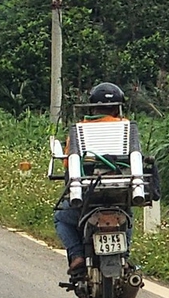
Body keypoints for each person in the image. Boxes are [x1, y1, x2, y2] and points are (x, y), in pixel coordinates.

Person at [55, 81, 139, 287]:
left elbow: (68, 162)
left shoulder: (79, 130)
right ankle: (124, 257)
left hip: (86, 195)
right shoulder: (126, 126)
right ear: (117, 107)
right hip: (119, 193)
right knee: (126, 217)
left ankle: (76, 255)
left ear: (93, 106)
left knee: (62, 218)